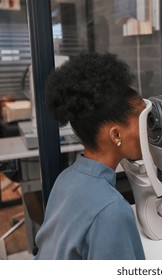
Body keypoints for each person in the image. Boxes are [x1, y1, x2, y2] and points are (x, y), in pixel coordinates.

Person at [35, 53, 146, 260]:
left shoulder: (65, 179)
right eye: (142, 119)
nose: (148, 128)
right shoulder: (111, 211)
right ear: (116, 135)